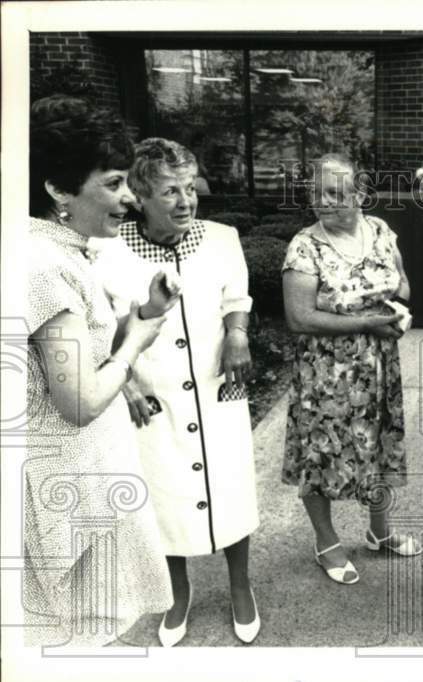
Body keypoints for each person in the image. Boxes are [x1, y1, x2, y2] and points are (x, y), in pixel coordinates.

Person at [23, 95, 178, 647]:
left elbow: (74, 362)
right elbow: (81, 401)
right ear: (58, 190)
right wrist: (136, 342)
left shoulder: (63, 254)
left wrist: (139, 317)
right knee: (76, 643)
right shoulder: (43, 266)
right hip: (69, 495)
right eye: (113, 183)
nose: (129, 199)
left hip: (86, 482)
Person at [96, 138, 261, 646]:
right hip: (153, 396)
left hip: (218, 388)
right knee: (163, 498)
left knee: (231, 487)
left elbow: (237, 296)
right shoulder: (109, 252)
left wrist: (237, 333)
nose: (186, 201)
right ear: (141, 196)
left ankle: (240, 587)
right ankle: (178, 593)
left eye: (190, 189)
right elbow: (102, 329)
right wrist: (125, 388)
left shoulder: (222, 238)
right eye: (170, 192)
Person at [282, 152, 422, 587]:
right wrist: (367, 319)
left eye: (336, 194)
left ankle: (379, 533)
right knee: (322, 452)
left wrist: (394, 308)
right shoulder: (304, 246)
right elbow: (299, 318)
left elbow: (403, 285)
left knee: (379, 447)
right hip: (327, 374)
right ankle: (326, 542)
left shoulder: (381, 230)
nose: (324, 201)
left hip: (379, 366)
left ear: (360, 195)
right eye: (317, 192)